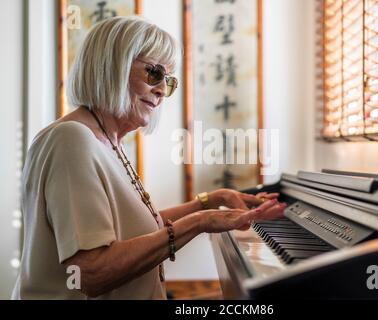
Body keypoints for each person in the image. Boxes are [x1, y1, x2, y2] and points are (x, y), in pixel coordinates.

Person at [12, 16, 285, 300]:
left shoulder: (107, 141)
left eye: (168, 81)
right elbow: (88, 274)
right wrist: (200, 221)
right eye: (153, 73)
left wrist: (211, 200)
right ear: (111, 68)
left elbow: (133, 233)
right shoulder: (71, 139)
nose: (161, 91)